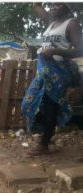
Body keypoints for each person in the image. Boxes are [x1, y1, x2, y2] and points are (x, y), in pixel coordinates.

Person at [21, 3, 83, 155]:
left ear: (69, 6)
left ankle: (44, 143)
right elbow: (38, 8)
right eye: (53, 3)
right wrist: (36, 5)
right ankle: (47, 135)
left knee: (50, 107)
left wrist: (56, 51)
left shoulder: (72, 24)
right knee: (29, 104)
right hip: (44, 72)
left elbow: (80, 49)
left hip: (59, 72)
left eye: (59, 3)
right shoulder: (51, 22)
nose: (54, 5)